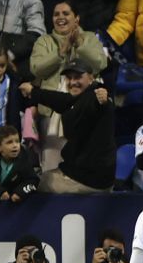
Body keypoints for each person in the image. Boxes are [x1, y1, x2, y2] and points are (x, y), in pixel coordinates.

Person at [30, 0, 108, 171]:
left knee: (83, 161)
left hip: (85, 112)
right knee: (52, 164)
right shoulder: (44, 41)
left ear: (76, 18)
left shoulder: (89, 38)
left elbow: (99, 64)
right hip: (52, 113)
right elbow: (37, 70)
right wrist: (60, 53)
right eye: (56, 14)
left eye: (66, 13)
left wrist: (79, 46)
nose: (60, 17)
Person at [20, 58, 116, 193]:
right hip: (84, 173)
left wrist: (104, 101)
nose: (72, 82)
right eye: (69, 78)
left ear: (91, 78)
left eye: (78, 77)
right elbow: (63, 100)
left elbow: (102, 105)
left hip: (91, 179)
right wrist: (33, 91)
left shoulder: (95, 96)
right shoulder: (80, 98)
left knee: (41, 183)